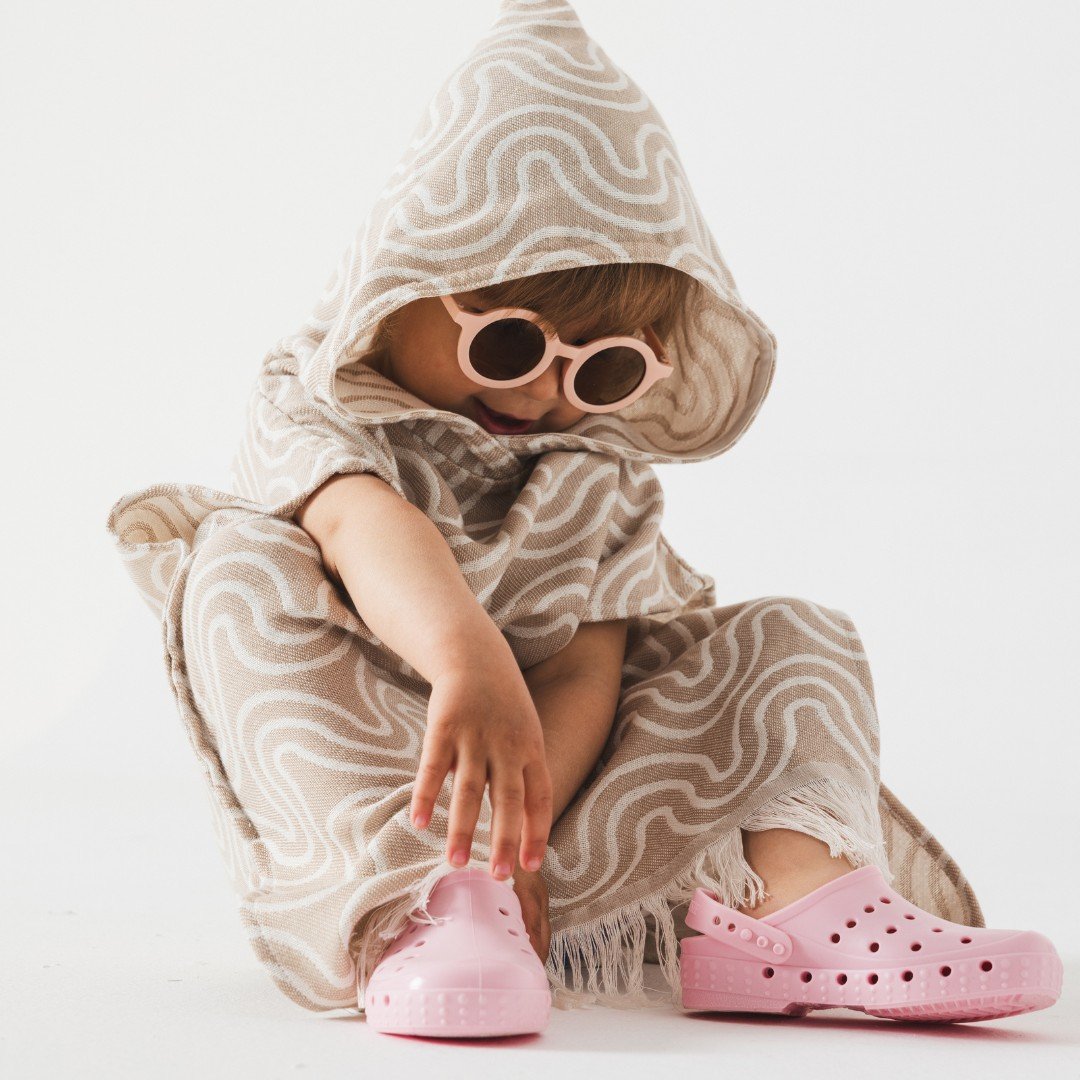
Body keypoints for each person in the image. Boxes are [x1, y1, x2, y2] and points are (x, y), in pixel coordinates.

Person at [104, 0, 1061, 1037]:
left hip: (549, 812)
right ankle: (422, 910)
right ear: (405, 281)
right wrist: (467, 659)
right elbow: (357, 523)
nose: (540, 392)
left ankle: (791, 905)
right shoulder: (317, 400)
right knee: (237, 568)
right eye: (510, 344)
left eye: (600, 369)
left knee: (793, 634)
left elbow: (581, 669)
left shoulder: (596, 470)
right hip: (384, 794)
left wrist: (510, 833)